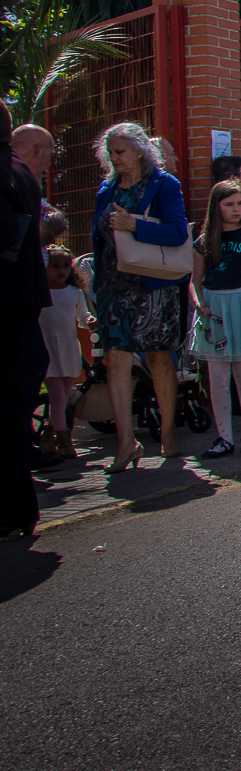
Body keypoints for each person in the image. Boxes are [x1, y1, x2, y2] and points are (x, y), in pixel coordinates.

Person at [90, 121, 189, 470]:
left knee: (158, 358)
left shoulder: (164, 185)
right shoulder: (107, 188)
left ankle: (167, 432)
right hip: (113, 287)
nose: (114, 158)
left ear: (139, 151)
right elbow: (100, 238)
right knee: (116, 359)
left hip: (152, 285)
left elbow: (178, 233)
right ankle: (125, 442)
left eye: (120, 151)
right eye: (110, 152)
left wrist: (136, 225)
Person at [3, 101, 52, 533]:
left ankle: (14, 507)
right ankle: (18, 506)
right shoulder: (18, 172)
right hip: (21, 298)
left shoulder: (7, 172)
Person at [189, 180, 241, 457]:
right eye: (228, 204)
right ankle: (223, 437)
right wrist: (198, 304)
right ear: (216, 206)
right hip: (215, 307)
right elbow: (195, 280)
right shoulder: (203, 242)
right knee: (217, 376)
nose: (235, 209)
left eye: (239, 203)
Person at [37, 246, 88, 461]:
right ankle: (66, 443)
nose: (61, 271)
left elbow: (83, 318)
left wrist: (91, 322)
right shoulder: (40, 293)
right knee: (58, 397)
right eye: (55, 266)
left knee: (63, 398)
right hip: (48, 349)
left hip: (67, 349)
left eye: (66, 266)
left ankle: (47, 438)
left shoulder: (74, 293)